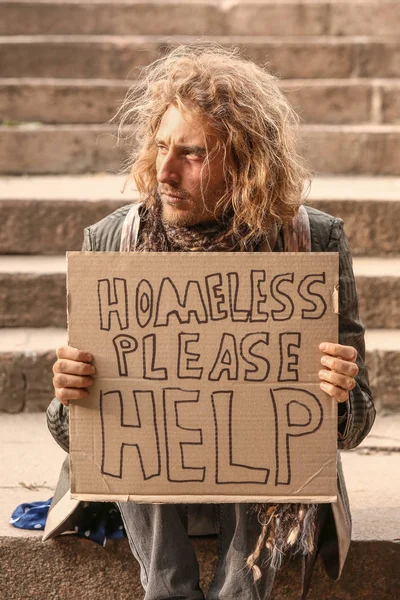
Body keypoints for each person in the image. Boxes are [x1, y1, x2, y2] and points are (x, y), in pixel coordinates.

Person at [45, 43, 375, 600]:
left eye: (193, 155)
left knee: (266, 408)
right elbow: (71, 435)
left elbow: (354, 425)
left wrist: (337, 393)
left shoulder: (310, 242)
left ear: (247, 164)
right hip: (157, 500)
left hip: (259, 492)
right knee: (138, 403)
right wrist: (70, 394)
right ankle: (167, 590)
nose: (165, 173)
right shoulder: (114, 242)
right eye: (161, 147)